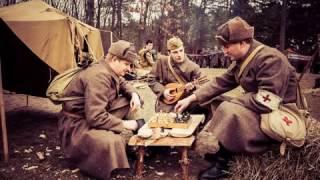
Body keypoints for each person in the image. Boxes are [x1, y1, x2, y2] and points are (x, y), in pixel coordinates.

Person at [175, 16, 298, 179]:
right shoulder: (245, 58)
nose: (224, 51)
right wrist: (191, 98)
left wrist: (234, 102)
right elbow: (222, 81)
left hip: (276, 115)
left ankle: (224, 163)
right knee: (216, 102)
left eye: (227, 46)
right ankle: (225, 149)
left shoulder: (270, 59)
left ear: (243, 42)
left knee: (228, 108)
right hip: (261, 109)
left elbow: (268, 101)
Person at [58, 40, 145, 179]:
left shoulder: (107, 67)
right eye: (127, 64)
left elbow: (122, 83)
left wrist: (134, 94)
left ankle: (118, 137)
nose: (129, 69)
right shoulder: (99, 76)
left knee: (128, 101)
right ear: (115, 59)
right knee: (114, 142)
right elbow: (95, 117)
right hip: (77, 125)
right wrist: (129, 125)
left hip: (90, 114)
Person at [149, 36, 206, 113]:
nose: (179, 54)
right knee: (166, 120)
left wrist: (194, 88)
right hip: (167, 102)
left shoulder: (193, 67)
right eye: (175, 52)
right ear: (169, 53)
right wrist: (163, 91)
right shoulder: (162, 61)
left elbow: (204, 86)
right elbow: (151, 79)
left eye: (181, 50)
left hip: (187, 102)